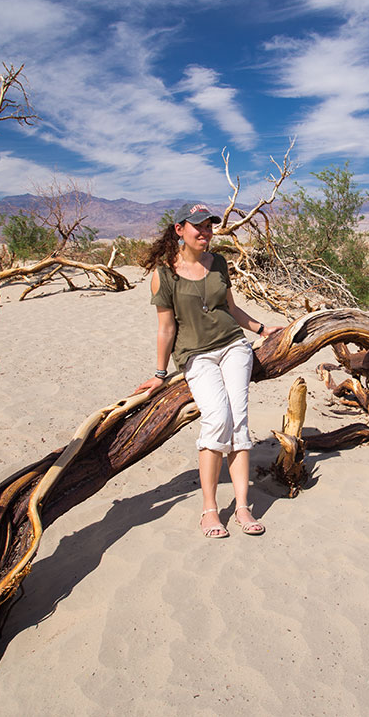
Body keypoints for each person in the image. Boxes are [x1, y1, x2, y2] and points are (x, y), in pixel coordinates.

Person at [134, 203, 283, 539]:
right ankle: (210, 509)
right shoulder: (164, 274)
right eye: (197, 227)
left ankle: (243, 506)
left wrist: (261, 330)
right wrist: (159, 375)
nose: (205, 233)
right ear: (179, 230)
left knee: (239, 421)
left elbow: (230, 308)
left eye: (209, 226)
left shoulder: (218, 263)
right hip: (195, 355)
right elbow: (166, 328)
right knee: (217, 418)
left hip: (233, 346)